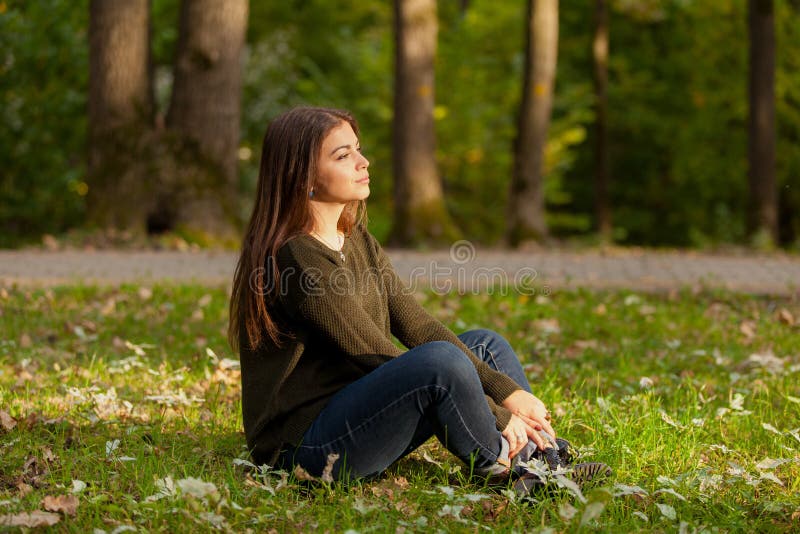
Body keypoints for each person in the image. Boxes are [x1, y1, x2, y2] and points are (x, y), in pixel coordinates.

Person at [229, 106, 609, 491]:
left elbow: (417, 324)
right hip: (305, 447)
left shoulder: (357, 239)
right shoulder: (297, 256)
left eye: (358, 149)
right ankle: (517, 474)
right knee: (440, 362)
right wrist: (498, 413)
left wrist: (506, 390)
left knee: (483, 345)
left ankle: (541, 454)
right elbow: (374, 353)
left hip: (353, 408)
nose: (363, 162)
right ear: (302, 176)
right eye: (343, 156)